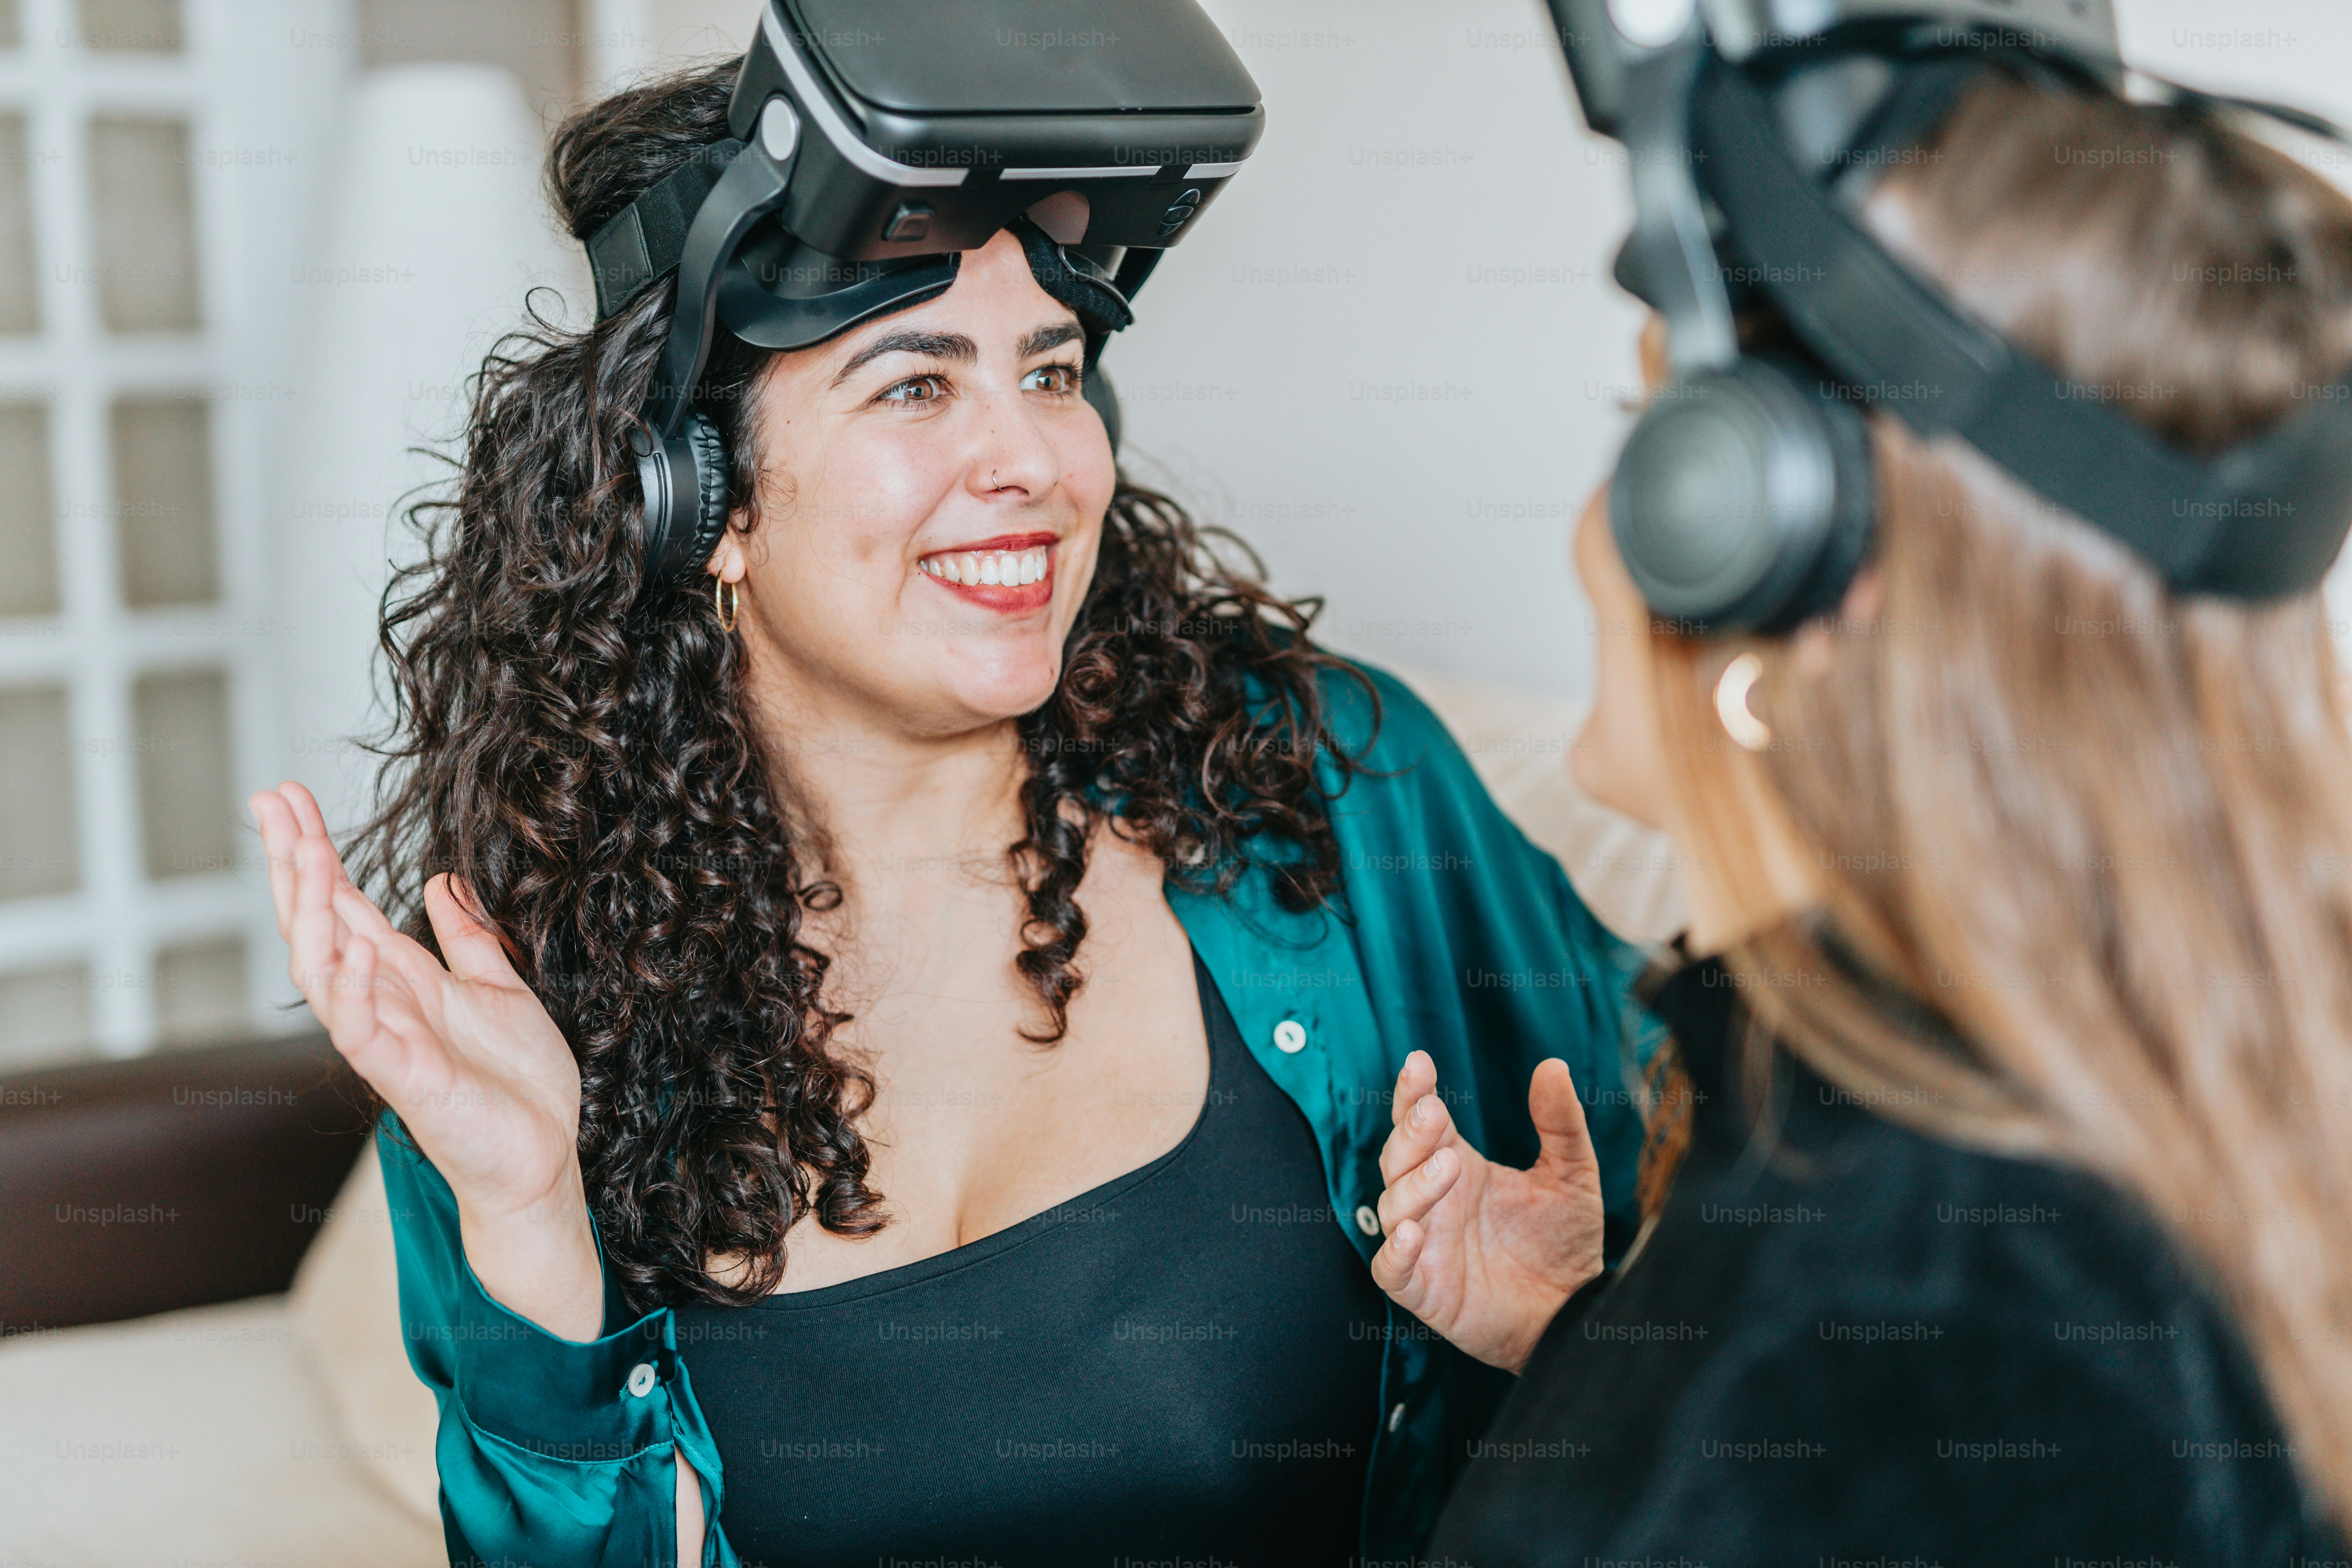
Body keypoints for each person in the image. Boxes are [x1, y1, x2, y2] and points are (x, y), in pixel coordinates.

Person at [246, 52, 1654, 1568]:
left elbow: (1777, 1264)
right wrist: (527, 1217)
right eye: (916, 382)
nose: (1035, 461)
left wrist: (1585, 1341)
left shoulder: (1334, 795)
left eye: (1051, 372)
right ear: (698, 500)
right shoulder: (526, 1018)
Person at [1371, 46, 2352, 1568]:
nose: (1594, 539)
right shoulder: (2191, 1116)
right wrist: (1593, 1339)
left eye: (1641, 445)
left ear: (1779, 567)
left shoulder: (1815, 1359)